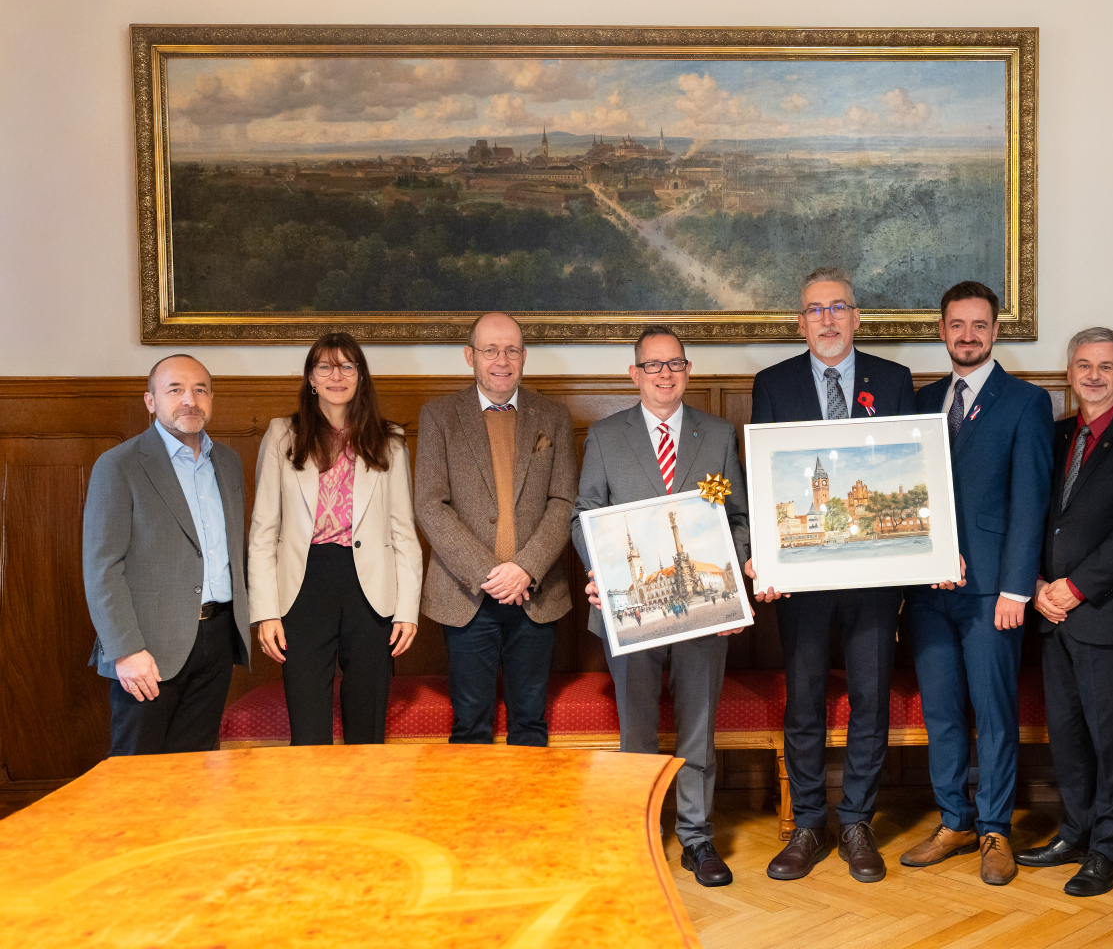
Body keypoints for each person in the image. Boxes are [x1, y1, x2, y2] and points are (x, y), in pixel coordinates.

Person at [749, 266, 918, 883]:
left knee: (870, 699)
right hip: (801, 579)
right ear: (801, 322)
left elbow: (915, 465)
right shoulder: (773, 384)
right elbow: (762, 481)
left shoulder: (895, 381)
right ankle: (808, 823)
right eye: (815, 310)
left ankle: (857, 823)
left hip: (876, 577)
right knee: (805, 699)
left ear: (856, 317)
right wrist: (766, 557)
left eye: (838, 307)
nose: (827, 319)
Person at [572, 325, 751, 888]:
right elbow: (583, 515)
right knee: (638, 734)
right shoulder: (604, 437)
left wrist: (733, 574)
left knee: (698, 728)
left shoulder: (718, 435)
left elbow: (738, 518)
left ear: (688, 371)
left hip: (703, 610)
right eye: (652, 366)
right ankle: (640, 834)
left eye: (674, 364)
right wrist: (596, 570)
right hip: (631, 615)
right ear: (635, 375)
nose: (664, 374)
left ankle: (698, 839)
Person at [898, 282, 1053, 886]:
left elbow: (1030, 503)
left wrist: (1017, 589)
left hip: (993, 592)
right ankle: (954, 820)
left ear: (996, 331)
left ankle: (995, 829)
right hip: (928, 592)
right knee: (941, 713)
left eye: (979, 325)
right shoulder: (922, 400)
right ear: (942, 330)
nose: (968, 335)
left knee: (993, 712)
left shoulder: (1025, 402)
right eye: (957, 325)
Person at [1014, 327, 1113, 897]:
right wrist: (1033, 585)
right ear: (1070, 371)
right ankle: (1075, 831)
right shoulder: (1052, 436)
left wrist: (1073, 589)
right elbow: (1029, 513)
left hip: (1104, 615)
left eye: (1107, 366)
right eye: (1084, 364)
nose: (1095, 375)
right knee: (1067, 735)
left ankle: (1110, 849)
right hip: (1049, 614)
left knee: (1110, 739)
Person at [247, 332, 422, 745]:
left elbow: (403, 531)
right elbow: (263, 530)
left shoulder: (390, 439)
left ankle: (365, 809)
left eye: (347, 366)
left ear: (361, 376)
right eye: (325, 366)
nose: (336, 375)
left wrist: (407, 611)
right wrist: (265, 611)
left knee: (367, 725)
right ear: (310, 377)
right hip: (303, 586)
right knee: (308, 729)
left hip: (371, 589)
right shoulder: (281, 435)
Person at [414, 312, 577, 746]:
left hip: (535, 592)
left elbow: (564, 503)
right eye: (490, 350)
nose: (501, 360)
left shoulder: (554, 416)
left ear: (524, 357)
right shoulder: (439, 416)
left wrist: (524, 568)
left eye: (511, 350)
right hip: (467, 595)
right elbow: (430, 505)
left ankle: (527, 816)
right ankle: (475, 817)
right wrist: (492, 572)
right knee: (470, 723)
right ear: (470, 356)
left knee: (530, 722)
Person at [81, 355, 253, 755]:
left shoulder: (226, 462)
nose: (189, 400)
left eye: (200, 389)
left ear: (211, 398)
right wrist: (125, 650)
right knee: (136, 771)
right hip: (147, 647)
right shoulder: (119, 465)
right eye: (175, 390)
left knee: (195, 768)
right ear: (151, 401)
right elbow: (102, 568)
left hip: (218, 635)